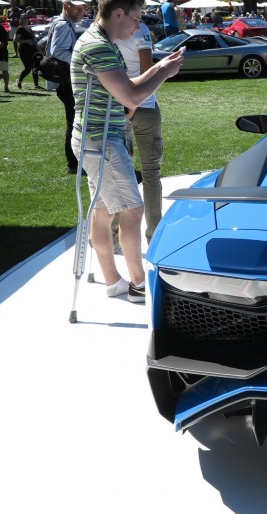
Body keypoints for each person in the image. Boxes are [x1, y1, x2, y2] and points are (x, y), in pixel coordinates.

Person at [70, 0, 184, 302]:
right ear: (118, 13)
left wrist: (158, 67)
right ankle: (138, 285)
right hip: (101, 141)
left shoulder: (101, 41)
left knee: (103, 210)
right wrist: (164, 73)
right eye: (135, 18)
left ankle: (113, 282)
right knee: (131, 210)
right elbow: (131, 96)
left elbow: (123, 85)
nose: (138, 26)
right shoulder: (98, 46)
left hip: (95, 138)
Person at [115, 19, 164, 244]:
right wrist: (132, 106)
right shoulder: (139, 29)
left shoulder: (106, 29)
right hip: (141, 106)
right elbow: (148, 71)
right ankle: (154, 237)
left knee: (118, 174)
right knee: (150, 173)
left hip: (120, 106)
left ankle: (112, 236)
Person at [49, 0, 86, 173]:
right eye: (77, 7)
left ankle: (75, 163)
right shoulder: (63, 25)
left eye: (83, 8)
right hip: (66, 82)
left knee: (74, 121)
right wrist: (81, 61)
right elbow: (57, 51)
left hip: (65, 81)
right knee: (74, 122)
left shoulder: (64, 23)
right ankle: (74, 164)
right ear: (66, 6)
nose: (81, 11)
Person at [13, 15, 42, 90]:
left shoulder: (29, 28)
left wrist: (40, 51)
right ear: (21, 20)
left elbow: (34, 40)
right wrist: (27, 41)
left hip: (33, 50)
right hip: (24, 50)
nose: (25, 20)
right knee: (28, 68)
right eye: (24, 18)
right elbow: (15, 40)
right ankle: (19, 81)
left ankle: (36, 85)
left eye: (26, 18)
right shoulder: (20, 29)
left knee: (35, 67)